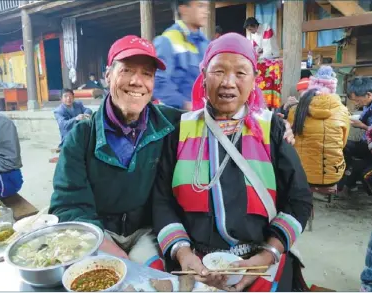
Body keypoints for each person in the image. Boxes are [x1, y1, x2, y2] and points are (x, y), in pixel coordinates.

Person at [152, 33, 312, 291]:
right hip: (195, 260)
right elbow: (162, 200)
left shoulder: (272, 129)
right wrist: (182, 253)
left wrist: (269, 253)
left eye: (240, 73)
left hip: (259, 258)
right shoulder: (180, 130)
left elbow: (299, 198)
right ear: (203, 77)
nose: (228, 82)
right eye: (218, 71)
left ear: (254, 81)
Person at [49, 35, 182, 271]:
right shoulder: (82, 136)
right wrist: (114, 253)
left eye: (147, 74)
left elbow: (212, 122)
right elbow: (68, 205)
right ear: (108, 75)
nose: (137, 81)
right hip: (99, 232)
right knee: (106, 279)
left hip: (148, 231)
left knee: (156, 281)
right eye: (127, 70)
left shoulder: (170, 124)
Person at [287, 66, 350, 187]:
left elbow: (291, 142)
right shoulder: (343, 111)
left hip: (301, 174)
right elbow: (343, 143)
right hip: (333, 176)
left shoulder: (296, 110)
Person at [153, 0, 209, 110]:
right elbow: (158, 82)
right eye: (200, 6)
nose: (206, 11)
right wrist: (186, 105)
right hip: (178, 117)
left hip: (203, 112)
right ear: (183, 9)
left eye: (206, 7)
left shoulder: (206, 43)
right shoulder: (167, 40)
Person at [342, 77, 372, 192]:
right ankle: (350, 179)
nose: (356, 103)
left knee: (364, 171)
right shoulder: (367, 105)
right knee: (343, 144)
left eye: (358, 100)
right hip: (367, 144)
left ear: (368, 95)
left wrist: (362, 126)